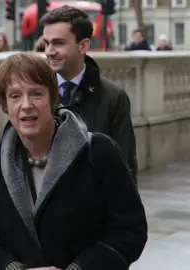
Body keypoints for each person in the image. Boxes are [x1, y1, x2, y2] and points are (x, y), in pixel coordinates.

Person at [0, 52, 147, 270]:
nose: (26, 105)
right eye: (15, 96)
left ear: (53, 97)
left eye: (36, 94)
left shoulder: (99, 152)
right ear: (4, 104)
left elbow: (129, 230)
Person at [40, 6, 138, 182]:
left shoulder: (113, 97)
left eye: (59, 43)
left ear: (83, 45)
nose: (49, 51)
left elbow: (125, 166)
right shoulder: (35, 92)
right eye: (47, 43)